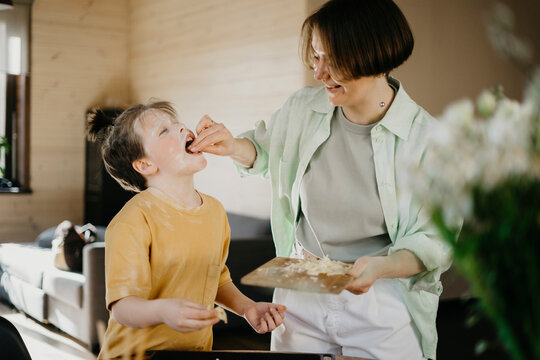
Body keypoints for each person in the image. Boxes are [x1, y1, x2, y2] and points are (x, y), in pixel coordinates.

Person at [188, 0, 453, 359]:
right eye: (315, 57)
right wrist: (233, 145)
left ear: (374, 57)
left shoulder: (428, 140)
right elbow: (267, 153)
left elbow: (437, 240)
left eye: (333, 59)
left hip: (382, 295)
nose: (320, 72)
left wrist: (382, 267)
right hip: (302, 287)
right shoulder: (303, 109)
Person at [86, 101, 286, 359]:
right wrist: (163, 311)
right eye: (164, 130)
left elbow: (217, 280)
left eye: (177, 123)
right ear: (145, 165)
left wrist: (248, 309)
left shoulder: (214, 211)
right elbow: (123, 307)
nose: (181, 127)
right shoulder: (133, 220)